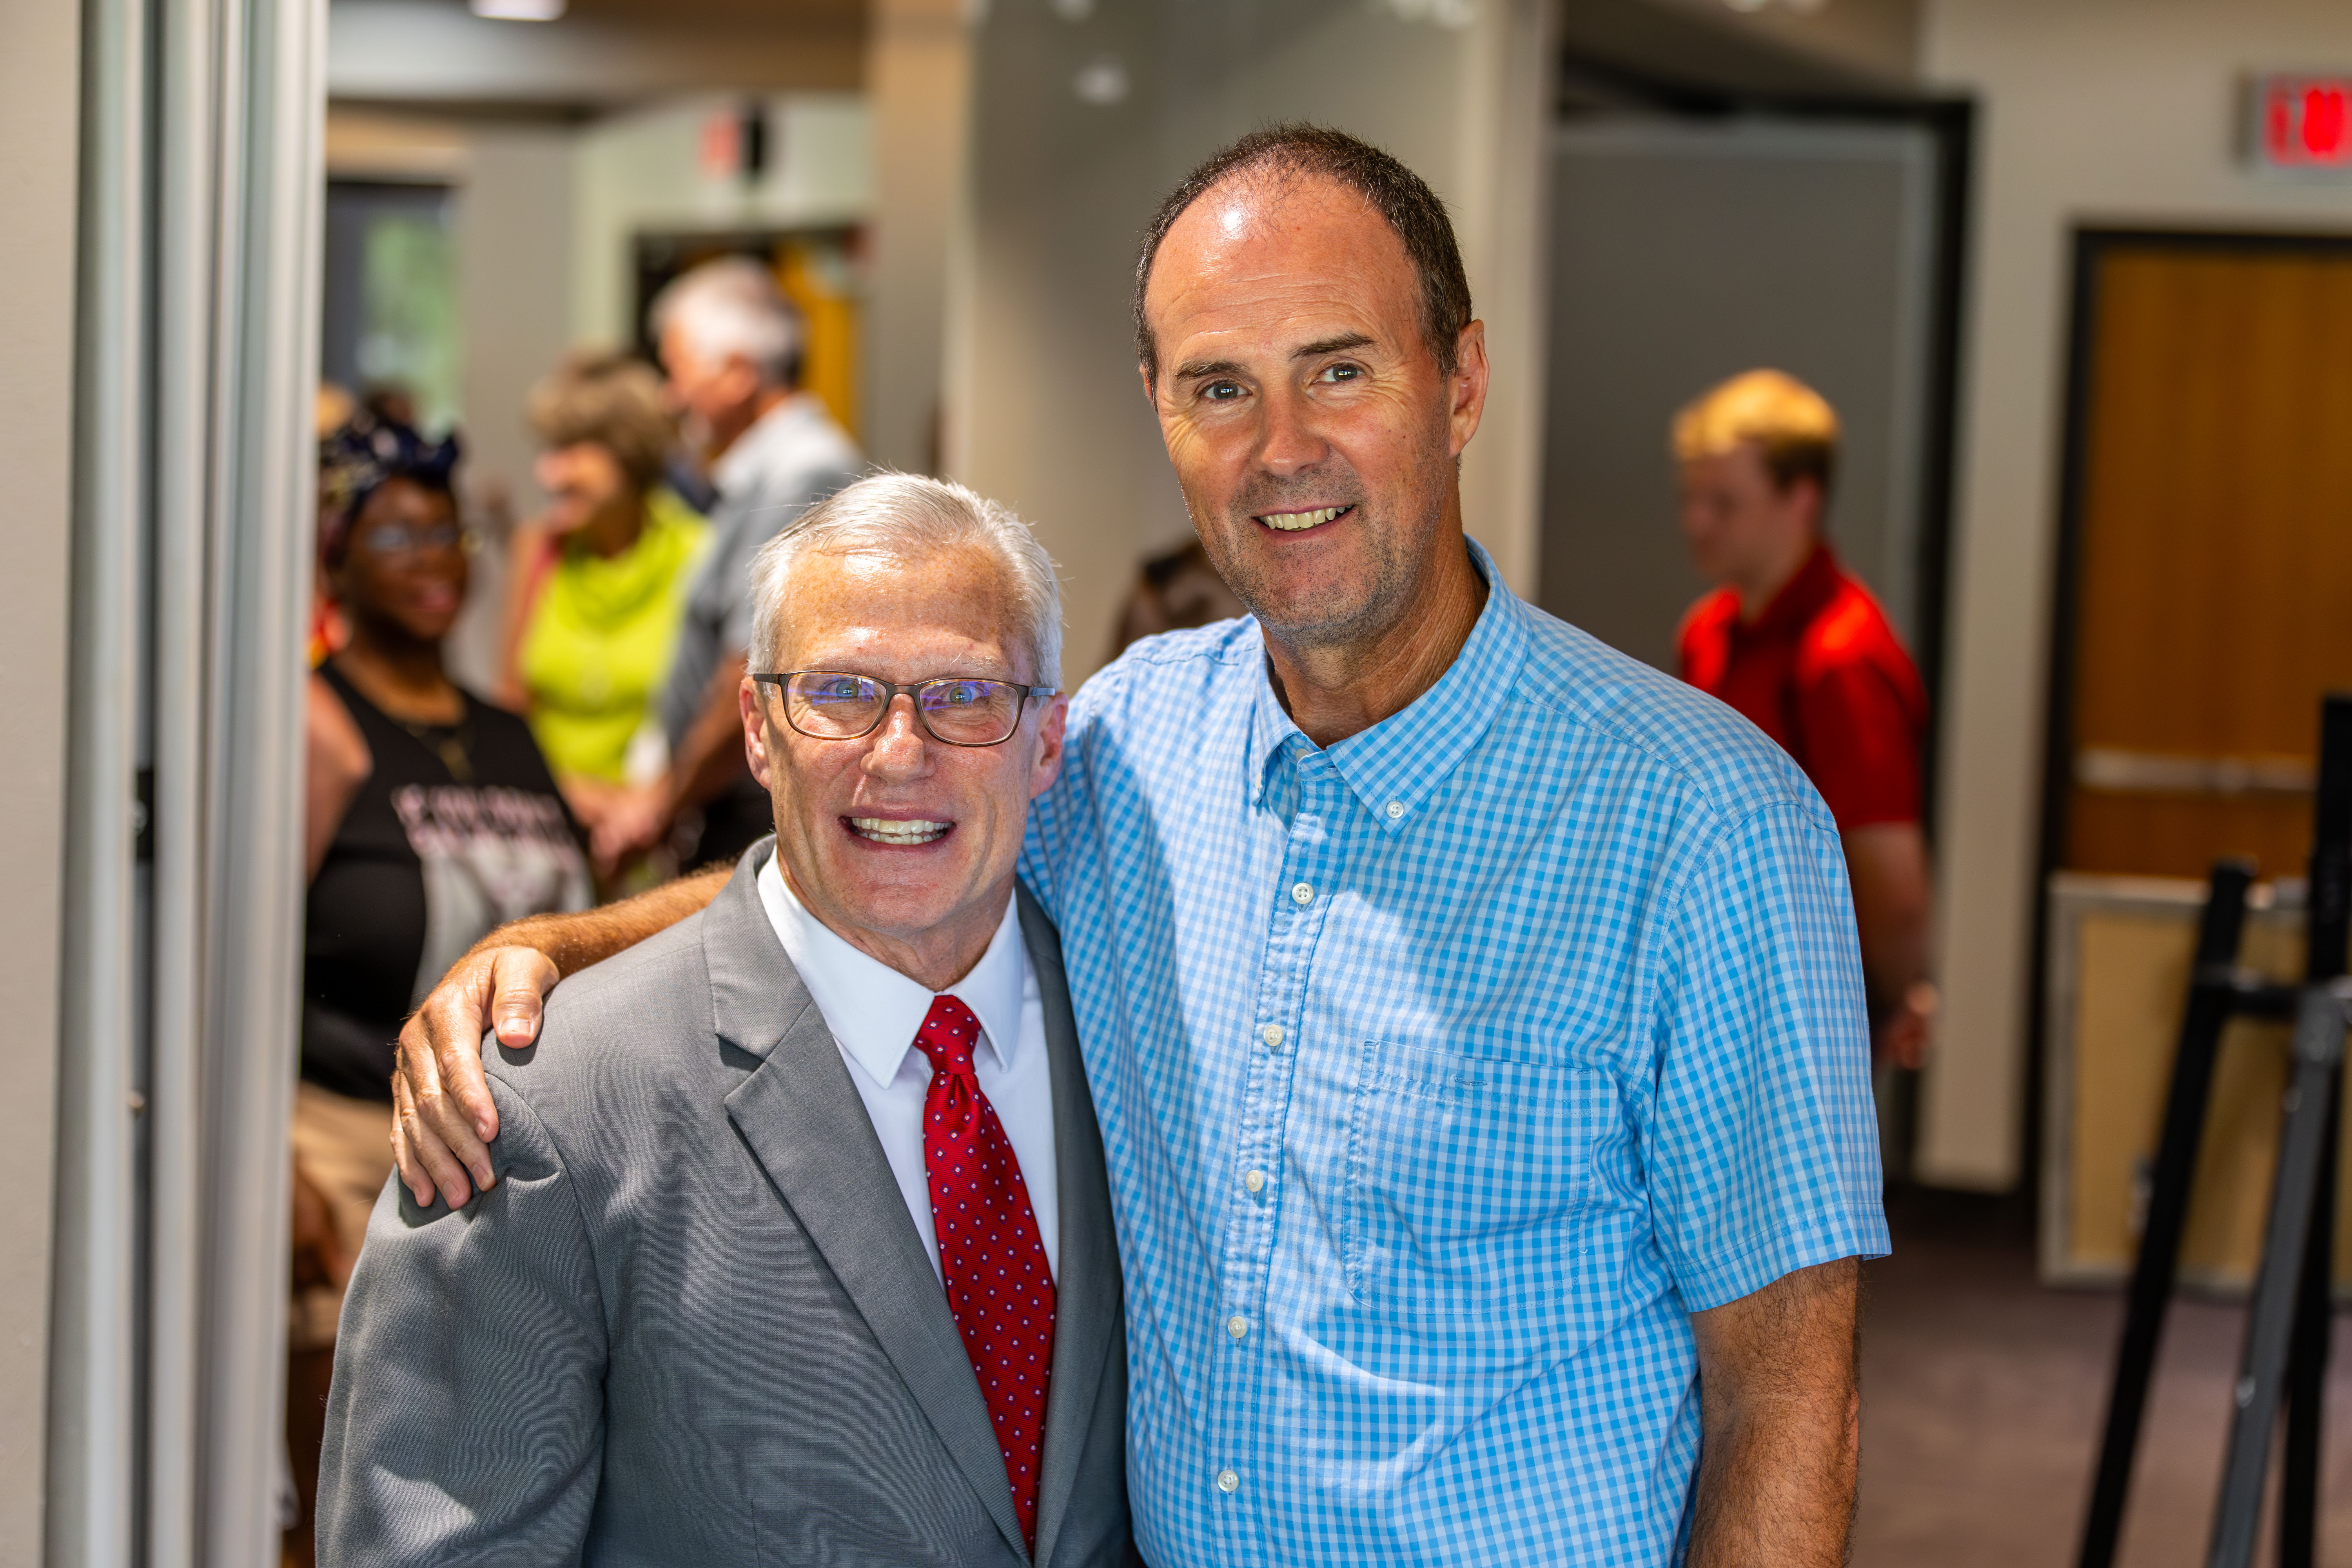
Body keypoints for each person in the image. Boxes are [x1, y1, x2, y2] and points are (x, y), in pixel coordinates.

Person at [392, 127, 1884, 1565]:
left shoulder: (1704, 826)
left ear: (1463, 382)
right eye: (1219, 387)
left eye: (1340, 371)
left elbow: (1788, 1398)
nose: (1281, 449)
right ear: (1162, 412)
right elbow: (872, 865)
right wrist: (549, 952)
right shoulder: (1127, 743)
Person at [316, 475, 1133, 1567]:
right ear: (757, 728)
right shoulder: (543, 1104)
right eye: (841, 691)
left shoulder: (1135, 1030)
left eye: (966, 695)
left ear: (1047, 742)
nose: (900, 752)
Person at [291, 412, 591, 1562]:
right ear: (337, 557)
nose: (433, 560)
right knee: (352, 1490)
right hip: (345, 1135)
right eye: (396, 536)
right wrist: (277, 1164)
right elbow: (245, 956)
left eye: (448, 534)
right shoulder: (322, 728)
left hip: (504, 1158)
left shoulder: (509, 734)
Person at [1673, 369, 1935, 1069]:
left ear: (1802, 501)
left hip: (1805, 1018)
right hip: (1713, 996)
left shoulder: (1840, 658)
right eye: (1694, 498)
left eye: (1724, 503)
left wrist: (1880, 1015)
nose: (1697, 523)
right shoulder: (1710, 634)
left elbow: (1893, 886)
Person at [588, 256, 863, 875]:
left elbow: (752, 661)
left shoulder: (800, 472)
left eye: (678, 370)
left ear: (738, 373)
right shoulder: (760, 471)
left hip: (748, 810)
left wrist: (663, 804)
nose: (670, 395)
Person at [495, 351, 711, 874]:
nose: (548, 474)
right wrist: (574, 795)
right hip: (544, 840)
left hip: (659, 848)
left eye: (570, 451)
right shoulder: (539, 550)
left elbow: (721, 720)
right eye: (548, 450)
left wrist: (650, 806)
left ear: (629, 452)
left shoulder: (700, 555)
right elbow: (510, 710)